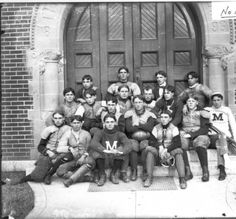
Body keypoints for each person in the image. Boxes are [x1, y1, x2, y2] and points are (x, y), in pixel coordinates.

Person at [15, 110, 71, 184]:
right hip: (50, 152)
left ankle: (49, 175)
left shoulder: (69, 129)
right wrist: (48, 151)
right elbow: (40, 146)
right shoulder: (48, 129)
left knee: (64, 157)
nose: (58, 120)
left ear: (63, 118)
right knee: (39, 176)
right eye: (56, 118)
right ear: (53, 119)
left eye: (60, 118)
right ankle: (27, 178)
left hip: (62, 151)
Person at [143, 110, 187, 189]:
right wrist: (159, 146)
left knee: (179, 152)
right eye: (161, 117)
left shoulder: (174, 128)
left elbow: (177, 143)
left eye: (166, 117)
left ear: (170, 118)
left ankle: (182, 178)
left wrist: (167, 149)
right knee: (149, 151)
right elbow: (151, 142)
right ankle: (149, 177)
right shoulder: (156, 128)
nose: (163, 119)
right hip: (159, 151)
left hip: (170, 150)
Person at [89, 114, 131, 186]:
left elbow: (128, 145)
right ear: (104, 123)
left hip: (115, 159)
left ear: (115, 123)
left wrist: (119, 151)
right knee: (96, 151)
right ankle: (102, 175)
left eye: (112, 122)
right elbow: (93, 143)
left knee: (121, 149)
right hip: (103, 159)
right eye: (107, 122)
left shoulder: (120, 134)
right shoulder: (100, 132)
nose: (110, 124)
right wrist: (104, 150)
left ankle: (113, 173)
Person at [54, 115, 95, 187]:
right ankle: (86, 178)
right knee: (59, 172)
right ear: (71, 124)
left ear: (82, 123)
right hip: (74, 159)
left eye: (78, 123)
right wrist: (70, 148)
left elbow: (90, 148)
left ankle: (70, 180)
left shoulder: (86, 134)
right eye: (74, 123)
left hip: (85, 158)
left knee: (90, 162)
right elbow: (59, 148)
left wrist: (84, 156)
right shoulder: (67, 134)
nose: (76, 125)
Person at [124, 95, 157, 181]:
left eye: (140, 102)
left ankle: (145, 170)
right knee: (133, 146)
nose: (138, 104)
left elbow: (150, 128)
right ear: (133, 103)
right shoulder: (129, 114)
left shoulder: (150, 114)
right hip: (133, 137)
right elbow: (128, 129)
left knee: (144, 146)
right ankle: (134, 170)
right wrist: (143, 126)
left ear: (143, 103)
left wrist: (138, 124)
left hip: (146, 138)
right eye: (136, 102)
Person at [205, 92, 236, 181]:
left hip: (226, 138)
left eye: (218, 100)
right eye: (214, 100)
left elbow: (233, 125)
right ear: (212, 101)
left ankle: (222, 168)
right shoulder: (207, 110)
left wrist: (235, 138)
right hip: (213, 137)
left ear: (221, 100)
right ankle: (223, 168)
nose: (216, 102)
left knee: (221, 141)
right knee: (220, 138)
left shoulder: (227, 110)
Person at [180, 95, 210, 182]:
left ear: (197, 102)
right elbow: (178, 124)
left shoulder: (202, 112)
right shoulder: (183, 111)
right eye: (188, 101)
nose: (190, 103)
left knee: (200, 143)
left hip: (199, 133)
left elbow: (205, 129)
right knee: (180, 144)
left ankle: (205, 171)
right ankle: (188, 171)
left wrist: (192, 134)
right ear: (186, 103)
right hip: (185, 133)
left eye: (193, 101)